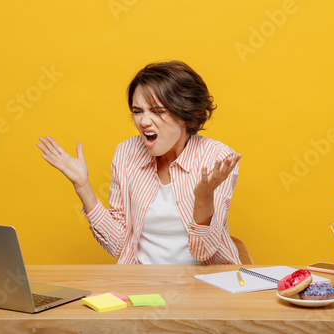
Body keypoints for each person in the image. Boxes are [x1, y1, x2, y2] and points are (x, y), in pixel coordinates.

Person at [37, 60, 242, 265]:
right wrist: (83, 186)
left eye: (157, 111)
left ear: (184, 114)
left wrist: (203, 199)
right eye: (138, 111)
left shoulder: (218, 159)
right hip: (141, 285)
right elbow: (117, 244)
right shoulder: (126, 153)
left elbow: (203, 252)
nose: (144, 122)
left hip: (205, 287)